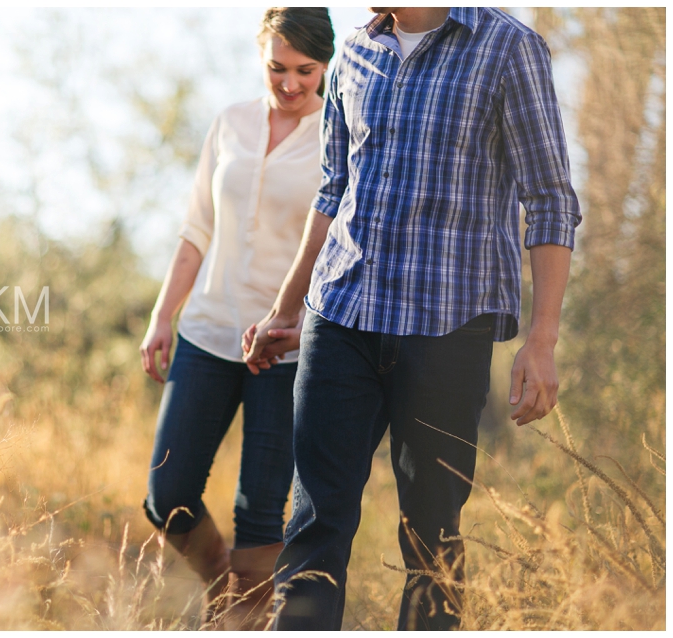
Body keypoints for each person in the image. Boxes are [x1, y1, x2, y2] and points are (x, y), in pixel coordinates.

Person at [243, 7, 582, 631]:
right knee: (314, 523)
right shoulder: (353, 52)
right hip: (341, 312)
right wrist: (284, 309)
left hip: (449, 328)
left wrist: (542, 338)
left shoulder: (508, 48)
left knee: (431, 538)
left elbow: (551, 200)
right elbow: (333, 188)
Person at [138, 7, 335, 630]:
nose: (292, 83)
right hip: (207, 333)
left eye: (307, 70)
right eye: (278, 68)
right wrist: (163, 315)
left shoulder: (341, 133)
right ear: (261, 59)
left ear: (325, 64)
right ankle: (230, 595)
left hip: (285, 348)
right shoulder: (230, 123)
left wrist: (300, 324)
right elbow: (196, 229)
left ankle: (242, 623)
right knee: (167, 496)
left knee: (259, 516)